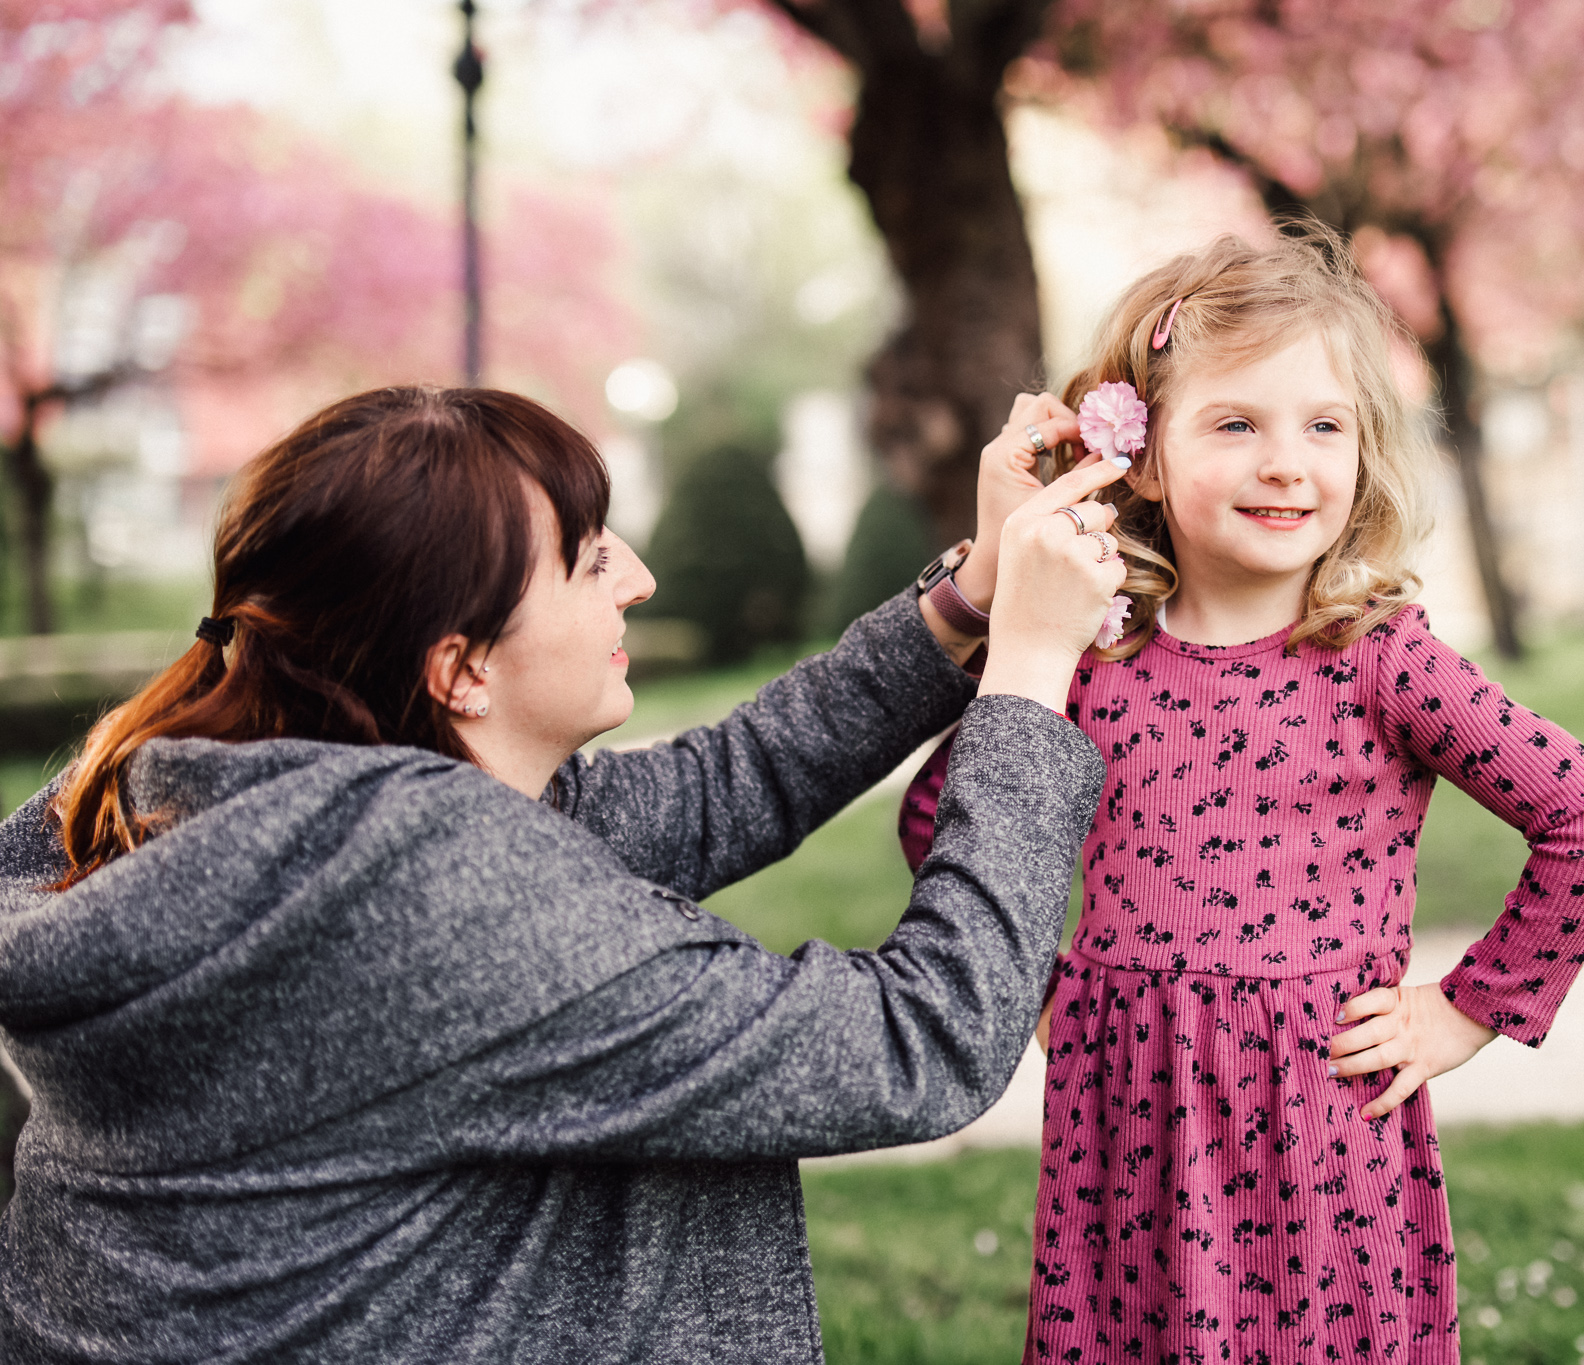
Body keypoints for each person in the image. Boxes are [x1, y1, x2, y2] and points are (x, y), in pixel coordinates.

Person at [0, 384, 1131, 1364]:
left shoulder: (254, 804)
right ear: (459, 669)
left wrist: (970, 598)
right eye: (590, 559)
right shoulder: (434, 909)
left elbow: (722, 787)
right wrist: (1028, 674)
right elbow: (918, 1043)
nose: (637, 578)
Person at [898, 228, 1584, 1364]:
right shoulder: (1087, 658)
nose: (1285, 462)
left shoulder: (1380, 661)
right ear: (1141, 457)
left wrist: (1464, 1010)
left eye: (1322, 425)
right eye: (1234, 423)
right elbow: (943, 815)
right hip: (1125, 1128)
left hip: (1317, 1136)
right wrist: (1031, 988)